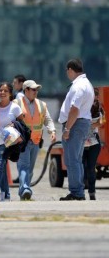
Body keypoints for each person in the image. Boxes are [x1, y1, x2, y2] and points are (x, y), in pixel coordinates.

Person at [59, 59, 94, 201]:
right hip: (81, 123)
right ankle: (78, 191)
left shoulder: (79, 86)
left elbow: (74, 109)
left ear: (70, 69)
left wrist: (67, 129)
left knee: (72, 160)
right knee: (76, 160)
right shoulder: (86, 84)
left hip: (75, 124)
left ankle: (76, 192)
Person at [14, 80, 56, 200]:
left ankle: (23, 191)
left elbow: (48, 119)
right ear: (26, 90)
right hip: (22, 142)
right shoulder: (17, 103)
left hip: (36, 141)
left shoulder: (41, 105)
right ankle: (26, 189)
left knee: (30, 169)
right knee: (24, 166)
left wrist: (52, 131)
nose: (35, 92)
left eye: (37, 89)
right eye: (33, 89)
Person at [0, 82, 23, 202]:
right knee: (1, 168)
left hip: (8, 142)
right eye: (0, 90)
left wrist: (14, 124)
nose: (2, 93)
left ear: (10, 94)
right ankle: (5, 194)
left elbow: (22, 124)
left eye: (5, 91)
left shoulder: (15, 107)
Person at [83, 88, 104, 200]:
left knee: (91, 167)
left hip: (93, 141)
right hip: (83, 140)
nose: (95, 99)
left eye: (96, 96)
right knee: (82, 167)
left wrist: (88, 125)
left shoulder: (99, 108)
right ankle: (81, 191)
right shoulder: (83, 106)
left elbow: (100, 123)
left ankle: (92, 192)